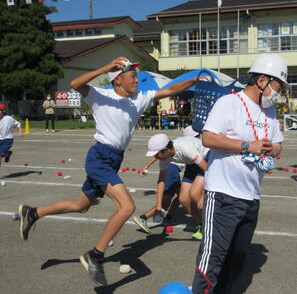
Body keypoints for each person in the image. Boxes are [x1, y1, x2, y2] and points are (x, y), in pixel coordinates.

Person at [17, 57, 197, 286]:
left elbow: (170, 90)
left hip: (113, 160)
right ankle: (95, 254)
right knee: (128, 206)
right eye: (132, 75)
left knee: (81, 205)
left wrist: (195, 79)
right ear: (117, 79)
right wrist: (104, 68)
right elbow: (75, 84)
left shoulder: (137, 99)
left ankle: (33, 213)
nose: (136, 79)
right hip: (100, 157)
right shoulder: (100, 96)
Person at [192, 53, 285, 293]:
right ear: (262, 80)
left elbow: (278, 145)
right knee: (212, 259)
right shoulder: (229, 102)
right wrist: (247, 146)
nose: (280, 91)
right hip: (222, 194)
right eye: (278, 85)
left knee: (237, 260)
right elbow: (208, 137)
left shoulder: (269, 112)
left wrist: (269, 147)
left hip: (251, 196)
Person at [132, 126, 200, 233]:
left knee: (181, 197)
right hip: (172, 171)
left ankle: (168, 218)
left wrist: (147, 165)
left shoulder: (182, 144)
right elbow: (157, 156)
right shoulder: (180, 147)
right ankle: (143, 217)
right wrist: (147, 165)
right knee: (166, 202)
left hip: (173, 171)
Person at [143, 133, 209, 240]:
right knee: (183, 199)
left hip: (206, 160)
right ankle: (202, 225)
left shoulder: (185, 148)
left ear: (165, 150)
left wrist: (204, 194)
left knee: (195, 195)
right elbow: (161, 181)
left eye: (156, 154)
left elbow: (207, 169)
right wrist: (159, 205)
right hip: (192, 164)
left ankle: (214, 225)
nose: (155, 157)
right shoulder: (164, 158)